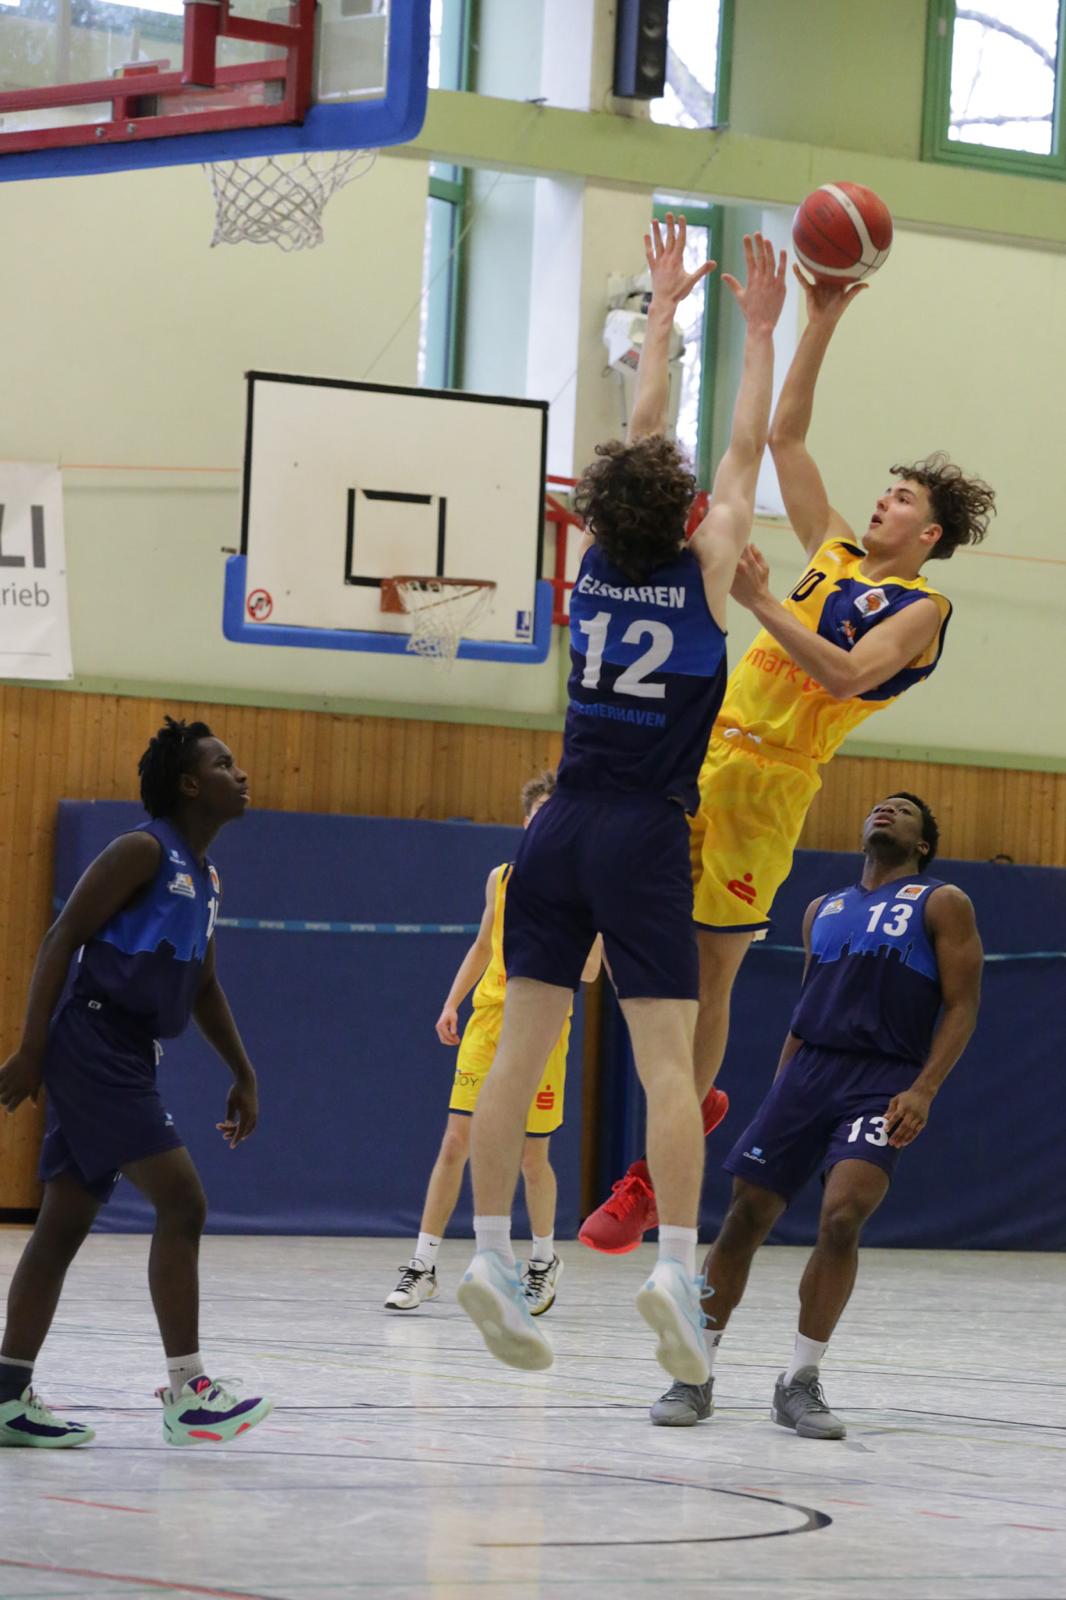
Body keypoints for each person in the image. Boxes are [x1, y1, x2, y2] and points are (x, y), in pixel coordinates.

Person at [580, 267, 996, 1254]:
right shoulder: (834, 551)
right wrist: (819, 319)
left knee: (710, 975)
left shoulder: (921, 609)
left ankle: (651, 1168)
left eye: (898, 499)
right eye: (883, 492)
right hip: (699, 749)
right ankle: (688, 1103)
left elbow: (850, 675)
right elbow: (784, 437)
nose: (879, 502)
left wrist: (764, 605)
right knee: (613, 947)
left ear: (926, 533)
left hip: (770, 784)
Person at [455, 217, 788, 1379]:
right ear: (687, 514)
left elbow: (645, 435)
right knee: (664, 1063)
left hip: (553, 827)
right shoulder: (709, 563)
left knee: (517, 1056)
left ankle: (492, 1254)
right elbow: (739, 446)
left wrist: (661, 312)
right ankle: (674, 1277)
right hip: (646, 831)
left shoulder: (594, 557)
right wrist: (759, 326)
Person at [649, 792, 983, 1434]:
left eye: (904, 812)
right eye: (880, 806)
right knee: (745, 1217)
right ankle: (694, 1372)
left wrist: (924, 1089)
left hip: (883, 1077)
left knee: (843, 1215)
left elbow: (963, 1005)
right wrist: (781, 1091)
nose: (885, 811)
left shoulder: (942, 901)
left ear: (922, 844)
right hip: (806, 1076)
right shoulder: (820, 910)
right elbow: (807, 1007)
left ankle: (800, 1380)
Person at [0, 717, 271, 1449]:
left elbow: (205, 984)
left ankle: (5, 1394)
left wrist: (242, 1071)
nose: (239, 774)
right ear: (190, 784)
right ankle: (190, 1393)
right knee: (183, 1201)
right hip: (92, 1046)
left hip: (126, 1052)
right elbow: (62, 939)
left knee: (61, 1225)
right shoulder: (141, 850)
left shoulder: (205, 875)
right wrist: (31, 1052)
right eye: (224, 764)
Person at [385, 770, 600, 1317]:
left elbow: (593, 972)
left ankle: (544, 1261)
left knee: (532, 1155)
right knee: (456, 1142)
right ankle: (423, 1264)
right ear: (527, 824)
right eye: (538, 817)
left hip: (543, 1025)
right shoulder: (501, 880)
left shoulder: (586, 887)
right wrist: (451, 1001)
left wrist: (588, 922)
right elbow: (484, 943)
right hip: (487, 1021)